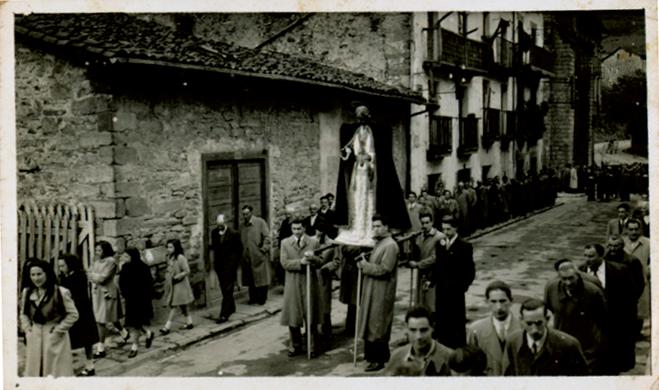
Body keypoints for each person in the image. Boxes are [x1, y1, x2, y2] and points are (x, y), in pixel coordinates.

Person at [335, 104, 411, 246]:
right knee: (357, 198)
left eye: (363, 116)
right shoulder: (355, 132)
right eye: (358, 117)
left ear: (367, 116)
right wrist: (348, 154)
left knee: (370, 199)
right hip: (357, 171)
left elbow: (379, 152)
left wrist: (370, 160)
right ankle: (357, 229)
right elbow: (350, 148)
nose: (360, 120)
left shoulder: (376, 132)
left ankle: (370, 229)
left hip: (372, 171)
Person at [544, 259, 608, 374]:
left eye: (571, 278)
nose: (568, 282)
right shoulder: (551, 288)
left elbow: (603, 320)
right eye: (564, 279)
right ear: (559, 277)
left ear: (578, 275)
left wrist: (597, 347)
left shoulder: (593, 292)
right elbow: (548, 310)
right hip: (560, 340)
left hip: (586, 344)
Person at [579, 244, 636, 374]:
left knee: (613, 357)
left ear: (601, 255)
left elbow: (630, 297)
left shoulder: (619, 270)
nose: (588, 259)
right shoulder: (581, 271)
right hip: (592, 323)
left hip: (614, 320)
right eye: (586, 256)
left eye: (591, 256)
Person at [20, 259, 79, 377]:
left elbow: (73, 315)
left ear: (47, 273)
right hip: (35, 335)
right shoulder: (27, 292)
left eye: (39, 274)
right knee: (35, 371)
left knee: (55, 372)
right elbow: (24, 313)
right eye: (33, 275)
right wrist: (28, 330)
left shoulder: (60, 292)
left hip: (54, 335)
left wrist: (58, 331)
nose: (36, 278)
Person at [356, 214, 400, 372]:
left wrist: (365, 266)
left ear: (386, 227)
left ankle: (378, 358)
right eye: (373, 226)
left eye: (378, 226)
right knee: (370, 320)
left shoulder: (390, 245)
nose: (375, 229)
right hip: (372, 288)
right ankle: (372, 355)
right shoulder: (380, 243)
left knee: (378, 323)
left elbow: (385, 269)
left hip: (382, 290)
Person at [502, 298, 588, 376]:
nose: (534, 330)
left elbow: (582, 380)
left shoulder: (568, 345)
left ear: (547, 319)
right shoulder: (513, 342)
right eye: (529, 324)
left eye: (539, 323)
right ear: (521, 320)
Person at [279, 219, 323, 357]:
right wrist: (301, 262)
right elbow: (284, 263)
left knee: (311, 314)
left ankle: (312, 346)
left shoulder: (313, 242)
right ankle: (295, 345)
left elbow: (321, 261)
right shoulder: (285, 243)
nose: (296, 232)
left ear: (304, 228)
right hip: (292, 283)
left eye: (299, 229)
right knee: (293, 315)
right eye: (294, 229)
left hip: (309, 282)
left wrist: (313, 259)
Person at [430, 216, 475, 349]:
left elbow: (470, 271)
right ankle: (443, 347)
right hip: (441, 290)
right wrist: (432, 281)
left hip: (456, 292)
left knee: (455, 321)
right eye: (443, 229)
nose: (446, 232)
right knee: (442, 319)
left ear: (455, 228)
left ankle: (457, 350)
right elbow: (437, 266)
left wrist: (462, 287)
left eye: (448, 229)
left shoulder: (464, 246)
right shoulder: (440, 244)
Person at [57, 254, 100, 376]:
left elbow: (77, 295)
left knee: (87, 339)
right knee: (68, 339)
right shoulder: (64, 276)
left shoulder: (79, 276)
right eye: (59, 266)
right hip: (69, 310)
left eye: (63, 265)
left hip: (82, 310)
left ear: (70, 264)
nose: (60, 268)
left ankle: (90, 365)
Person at [467, 280, 521, 376]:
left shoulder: (523, 328)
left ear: (511, 301)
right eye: (493, 301)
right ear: (487, 302)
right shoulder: (476, 330)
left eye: (502, 301)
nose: (498, 307)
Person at [383, 306, 453, 376]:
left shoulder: (449, 358)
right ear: (406, 329)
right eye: (413, 330)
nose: (418, 336)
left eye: (423, 330)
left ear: (432, 328)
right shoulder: (397, 356)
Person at [88, 240, 129, 358]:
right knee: (111, 317)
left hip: (107, 293)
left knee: (101, 320)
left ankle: (101, 348)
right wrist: (94, 276)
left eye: (99, 250)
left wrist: (93, 276)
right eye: (96, 250)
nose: (97, 252)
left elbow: (103, 278)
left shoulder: (111, 261)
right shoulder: (96, 261)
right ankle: (124, 333)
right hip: (98, 293)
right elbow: (89, 273)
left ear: (105, 250)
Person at [118, 247, 155, 358]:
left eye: (127, 256)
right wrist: (125, 294)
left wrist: (147, 297)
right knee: (134, 323)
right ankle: (148, 333)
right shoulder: (125, 267)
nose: (124, 258)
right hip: (130, 299)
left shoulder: (143, 268)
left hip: (141, 300)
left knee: (136, 324)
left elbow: (149, 284)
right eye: (124, 256)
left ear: (133, 256)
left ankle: (135, 346)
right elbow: (121, 283)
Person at [408, 212, 445, 313]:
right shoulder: (420, 236)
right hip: (422, 273)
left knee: (432, 301)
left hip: (434, 273)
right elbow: (417, 253)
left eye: (427, 222)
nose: (425, 225)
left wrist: (418, 264)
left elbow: (436, 258)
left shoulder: (439, 237)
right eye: (423, 223)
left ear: (432, 222)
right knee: (421, 300)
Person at [210, 213, 243, 323]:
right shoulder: (214, 233)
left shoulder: (234, 234)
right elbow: (215, 248)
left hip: (230, 267)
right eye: (218, 225)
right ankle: (232, 307)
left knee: (228, 289)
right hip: (219, 266)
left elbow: (239, 250)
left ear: (226, 223)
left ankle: (224, 314)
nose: (219, 227)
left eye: (221, 224)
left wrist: (234, 264)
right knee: (224, 288)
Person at [160, 239, 194, 334]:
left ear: (176, 247)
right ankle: (189, 322)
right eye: (167, 247)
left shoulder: (180, 257)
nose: (168, 249)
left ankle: (167, 327)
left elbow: (187, 271)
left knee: (174, 305)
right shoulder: (169, 257)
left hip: (180, 285)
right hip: (173, 285)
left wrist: (177, 277)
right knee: (183, 305)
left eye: (171, 247)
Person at [623, 218, 651, 330]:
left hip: (641, 280)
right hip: (624, 280)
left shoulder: (648, 243)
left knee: (641, 306)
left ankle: (640, 328)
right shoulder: (621, 243)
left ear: (640, 230)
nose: (634, 232)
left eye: (636, 229)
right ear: (627, 230)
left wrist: (648, 271)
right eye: (631, 229)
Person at [240, 205, 271, 305]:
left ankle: (262, 298)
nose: (245, 216)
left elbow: (267, 237)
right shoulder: (242, 226)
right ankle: (252, 298)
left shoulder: (260, 222)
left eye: (247, 214)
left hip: (259, 256)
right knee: (251, 279)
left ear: (251, 213)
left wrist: (263, 250)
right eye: (243, 214)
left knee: (261, 278)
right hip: (248, 257)